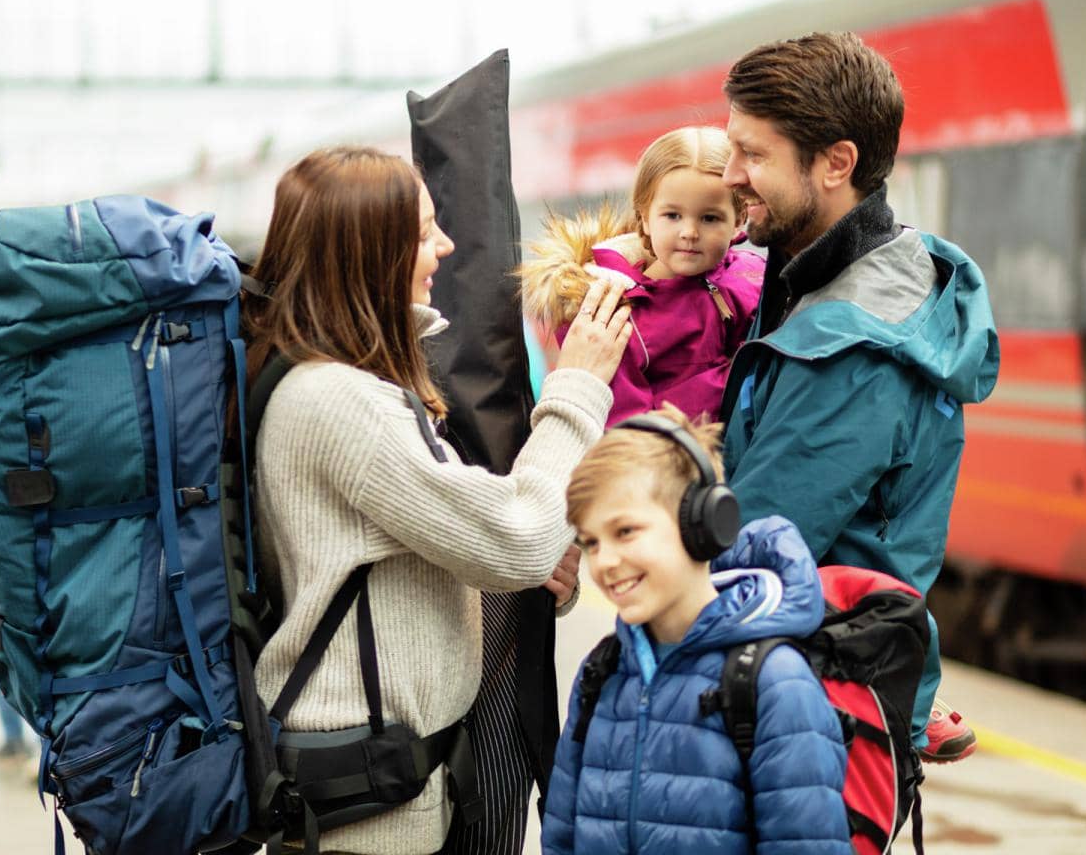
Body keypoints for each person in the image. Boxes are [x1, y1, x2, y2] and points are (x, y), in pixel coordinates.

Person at [244, 146, 632, 854]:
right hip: (369, 810)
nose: (445, 247)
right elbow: (514, 537)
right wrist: (578, 387)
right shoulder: (341, 400)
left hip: (385, 785)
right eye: (425, 232)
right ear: (371, 251)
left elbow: (404, 556)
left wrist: (524, 568)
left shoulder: (334, 378)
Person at [718, 31, 1000, 763]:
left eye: (753, 154)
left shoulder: (848, 348)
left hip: (817, 721)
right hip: (821, 687)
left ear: (836, 163)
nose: (728, 174)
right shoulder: (830, 275)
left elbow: (755, 549)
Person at [542, 404, 849, 855]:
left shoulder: (774, 683)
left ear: (702, 525)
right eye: (591, 542)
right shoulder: (602, 672)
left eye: (625, 531)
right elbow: (562, 839)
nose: (604, 561)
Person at [520, 126, 764, 427]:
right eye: (673, 216)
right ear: (645, 217)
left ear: (739, 220)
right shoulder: (615, 310)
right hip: (674, 459)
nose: (689, 232)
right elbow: (623, 420)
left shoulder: (754, 277)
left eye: (709, 218)